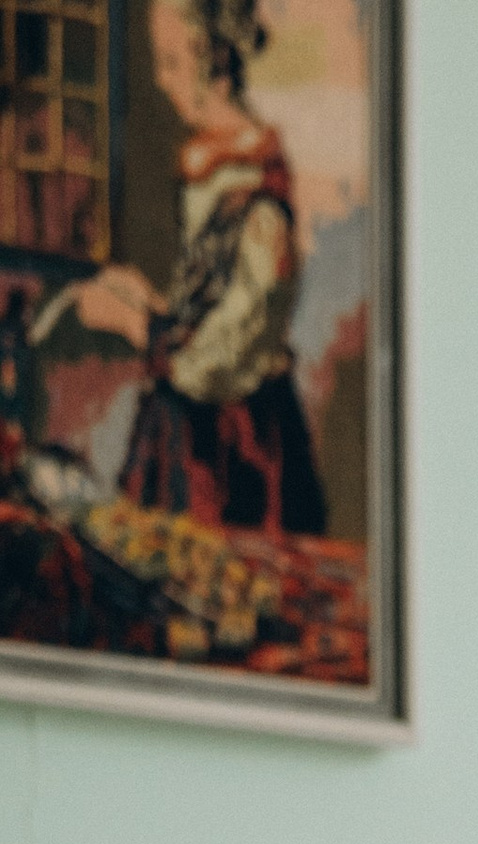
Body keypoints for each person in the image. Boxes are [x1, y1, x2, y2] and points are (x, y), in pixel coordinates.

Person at [71, 0, 324, 538]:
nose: (162, 81)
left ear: (217, 65)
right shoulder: (202, 162)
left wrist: (140, 327)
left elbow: (233, 345)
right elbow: (207, 301)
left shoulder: (259, 190)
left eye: (171, 63)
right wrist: (154, 302)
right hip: (185, 428)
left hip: (235, 444)